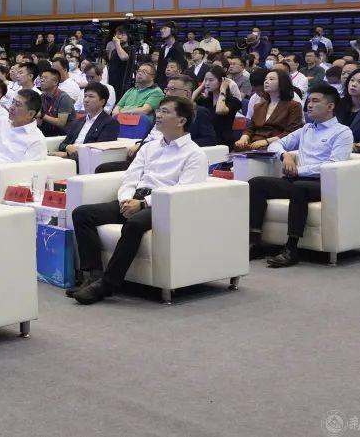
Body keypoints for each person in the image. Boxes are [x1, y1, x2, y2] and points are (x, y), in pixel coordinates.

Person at [69, 97, 209, 304]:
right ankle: (94, 275)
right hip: (135, 198)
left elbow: (182, 191)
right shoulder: (149, 147)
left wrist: (143, 204)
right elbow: (130, 177)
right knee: (82, 213)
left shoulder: (195, 154)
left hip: (164, 206)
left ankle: (108, 283)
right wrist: (126, 199)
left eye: (165, 112)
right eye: (159, 110)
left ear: (181, 120)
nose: (158, 115)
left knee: (134, 224)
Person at [248, 85, 354, 267]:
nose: (309, 105)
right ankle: (255, 242)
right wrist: (286, 155)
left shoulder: (342, 132)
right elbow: (276, 144)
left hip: (322, 183)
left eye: (315, 101)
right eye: (309, 100)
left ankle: (291, 248)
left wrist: (299, 170)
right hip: (297, 180)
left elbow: (333, 165)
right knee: (256, 183)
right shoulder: (306, 129)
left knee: (299, 188)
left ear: (330, 106)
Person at [234, 69, 303, 151]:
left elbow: (292, 133)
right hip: (254, 145)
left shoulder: (293, 106)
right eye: (265, 79)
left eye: (271, 79)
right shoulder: (259, 106)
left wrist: (266, 141)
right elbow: (250, 128)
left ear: (282, 83)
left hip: (277, 146)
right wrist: (243, 139)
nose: (266, 81)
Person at [50, 83, 120, 159]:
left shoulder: (110, 123)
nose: (86, 100)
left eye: (91, 96)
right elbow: (63, 144)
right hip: (68, 157)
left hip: (86, 160)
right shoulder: (78, 122)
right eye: (85, 96)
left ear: (102, 102)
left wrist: (69, 154)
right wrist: (68, 147)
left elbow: (99, 150)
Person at [0, 89, 49, 166]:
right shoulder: (3, 122)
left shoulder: (37, 140)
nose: (11, 107)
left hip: (4, 172)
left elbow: (25, 170)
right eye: (13, 102)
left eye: (17, 105)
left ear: (30, 114)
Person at [191, 66, 242, 147]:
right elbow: (188, 103)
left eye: (211, 80)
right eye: (205, 80)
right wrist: (202, 86)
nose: (207, 83)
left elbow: (219, 110)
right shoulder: (206, 100)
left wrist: (223, 89)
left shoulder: (233, 101)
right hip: (206, 140)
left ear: (221, 81)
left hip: (222, 141)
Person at [37, 67, 73, 138]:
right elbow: (39, 123)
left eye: (45, 78)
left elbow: (61, 123)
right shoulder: (41, 97)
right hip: (47, 134)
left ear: (55, 82)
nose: (42, 80)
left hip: (64, 136)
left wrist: (42, 115)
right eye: (41, 78)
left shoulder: (64, 98)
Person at [155, 23, 186, 88]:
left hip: (172, 84)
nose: (161, 30)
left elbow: (181, 69)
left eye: (165, 28)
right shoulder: (162, 49)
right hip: (160, 84)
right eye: (161, 29)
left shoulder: (178, 48)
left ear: (173, 30)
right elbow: (159, 68)